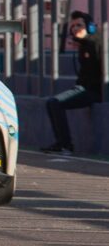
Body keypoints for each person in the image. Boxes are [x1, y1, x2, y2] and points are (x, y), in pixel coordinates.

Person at [42, 11, 104, 156]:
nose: (75, 29)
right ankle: (63, 144)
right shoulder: (84, 44)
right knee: (52, 103)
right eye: (73, 26)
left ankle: (65, 145)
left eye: (79, 25)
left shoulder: (96, 43)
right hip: (85, 88)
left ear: (90, 27)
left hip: (94, 91)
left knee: (54, 103)